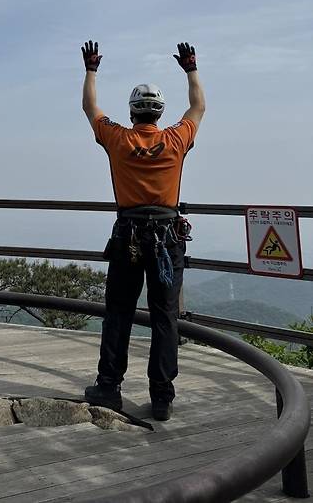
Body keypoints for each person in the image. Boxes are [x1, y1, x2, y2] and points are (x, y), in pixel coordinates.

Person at [81, 41, 205, 420]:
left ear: (133, 112)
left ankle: (109, 387)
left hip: (128, 235)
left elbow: (90, 107)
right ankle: (162, 397)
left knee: (119, 311)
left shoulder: (118, 139)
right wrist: (191, 69)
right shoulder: (176, 140)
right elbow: (198, 106)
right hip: (167, 237)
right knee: (165, 315)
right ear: (160, 112)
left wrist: (91, 69)